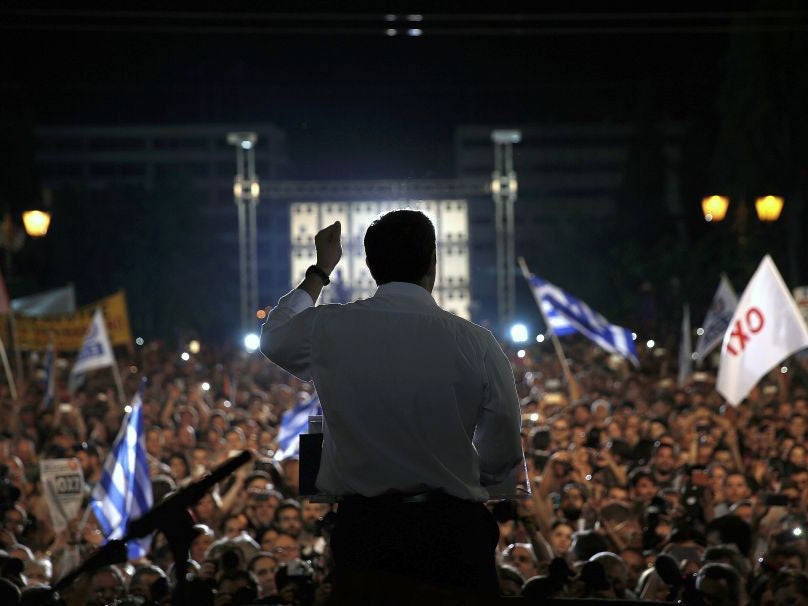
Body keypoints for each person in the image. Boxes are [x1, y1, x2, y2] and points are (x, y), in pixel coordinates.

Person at [260, 210, 523, 601]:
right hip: (453, 532)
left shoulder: (329, 328)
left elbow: (274, 336)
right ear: (434, 262)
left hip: (367, 536)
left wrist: (320, 270)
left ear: (369, 266)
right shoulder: (475, 342)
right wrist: (461, 472)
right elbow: (503, 441)